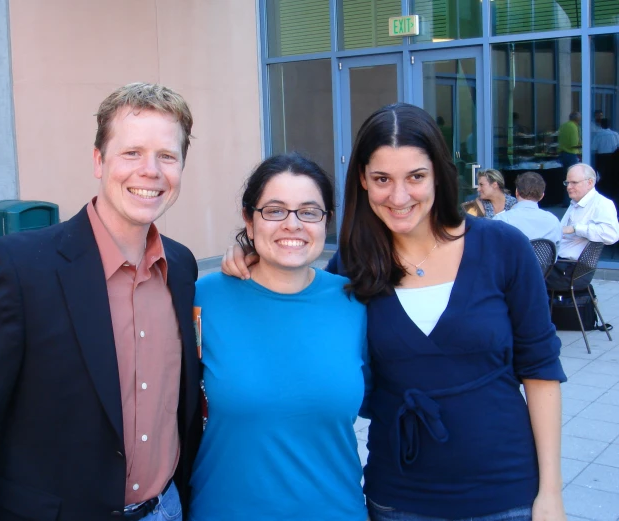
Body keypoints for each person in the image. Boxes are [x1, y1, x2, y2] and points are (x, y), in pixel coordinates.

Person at [223, 103, 566, 521]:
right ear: (364, 180)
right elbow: (296, 312)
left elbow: (542, 369)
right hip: (400, 499)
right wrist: (250, 251)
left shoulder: (503, 247)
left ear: (439, 173)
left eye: (415, 177)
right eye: (382, 179)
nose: (399, 197)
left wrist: (550, 492)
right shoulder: (351, 266)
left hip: (506, 493)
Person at [0, 83, 203, 521]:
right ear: (98, 160)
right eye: (131, 153)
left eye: (167, 156)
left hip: (165, 509)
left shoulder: (183, 267)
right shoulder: (20, 268)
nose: (150, 170)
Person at [189, 153, 370, 521]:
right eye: (274, 211)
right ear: (249, 220)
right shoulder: (201, 300)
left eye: (308, 211)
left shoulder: (358, 304)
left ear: (326, 221)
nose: (293, 225)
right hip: (225, 511)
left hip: (336, 511)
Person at [546, 163, 619, 288]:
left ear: (590, 183)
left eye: (574, 183)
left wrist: (575, 228)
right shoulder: (575, 202)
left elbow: (611, 234)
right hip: (559, 264)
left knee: (524, 275)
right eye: (567, 183)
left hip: (571, 269)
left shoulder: (601, 204)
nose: (569, 187)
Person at [494, 171, 562, 251]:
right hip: (542, 264)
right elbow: (554, 255)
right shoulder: (554, 221)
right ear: (541, 196)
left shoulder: (501, 220)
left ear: (516, 192)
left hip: (512, 263)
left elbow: (492, 251)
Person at [558, 111, 582, 206]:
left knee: (566, 178)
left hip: (563, 154)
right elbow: (574, 144)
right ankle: (569, 201)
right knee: (573, 180)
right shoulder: (573, 127)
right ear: (577, 119)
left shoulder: (563, 126)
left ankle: (566, 201)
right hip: (571, 154)